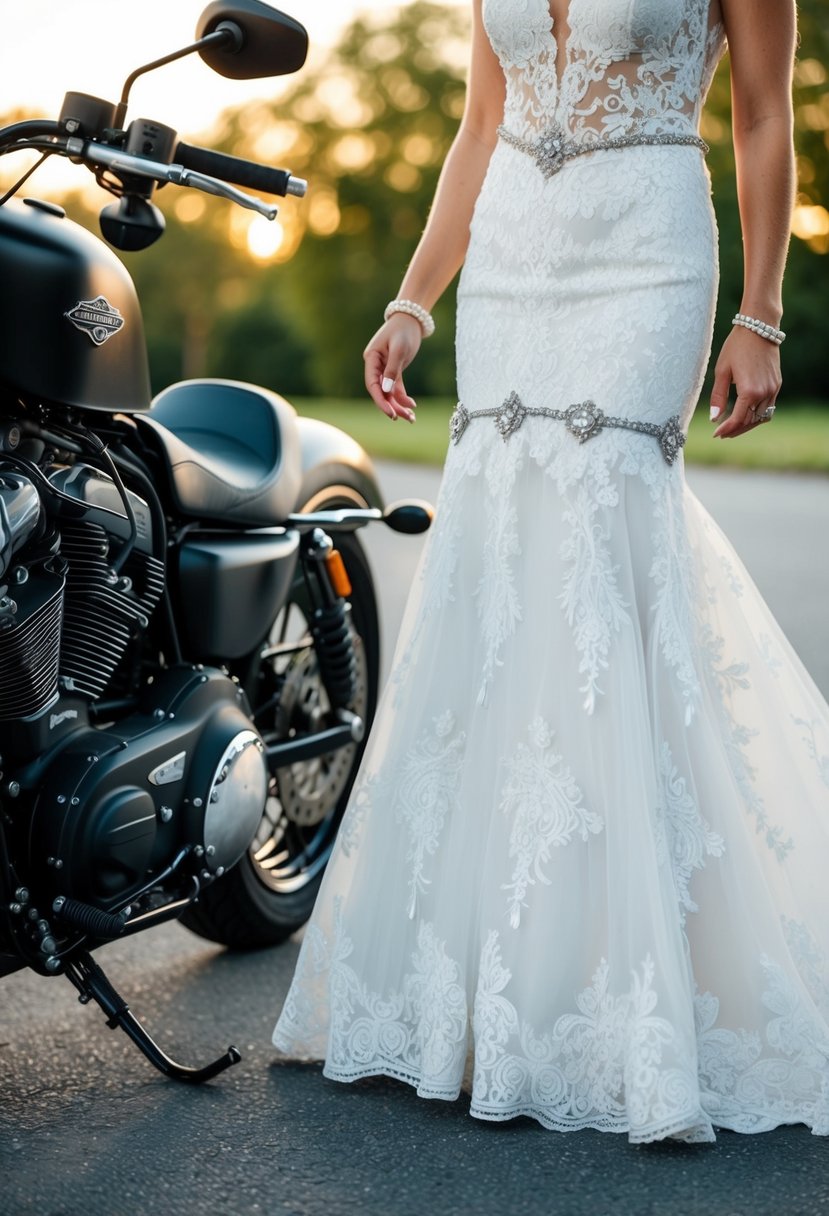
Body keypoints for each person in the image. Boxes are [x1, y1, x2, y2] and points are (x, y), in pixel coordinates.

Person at [274, 0, 829, 1143]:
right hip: (515, 258)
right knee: (499, 564)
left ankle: (629, 986)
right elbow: (481, 124)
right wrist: (412, 300)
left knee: (602, 544)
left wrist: (762, 314)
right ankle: (486, 987)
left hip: (648, 251)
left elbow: (766, 115)